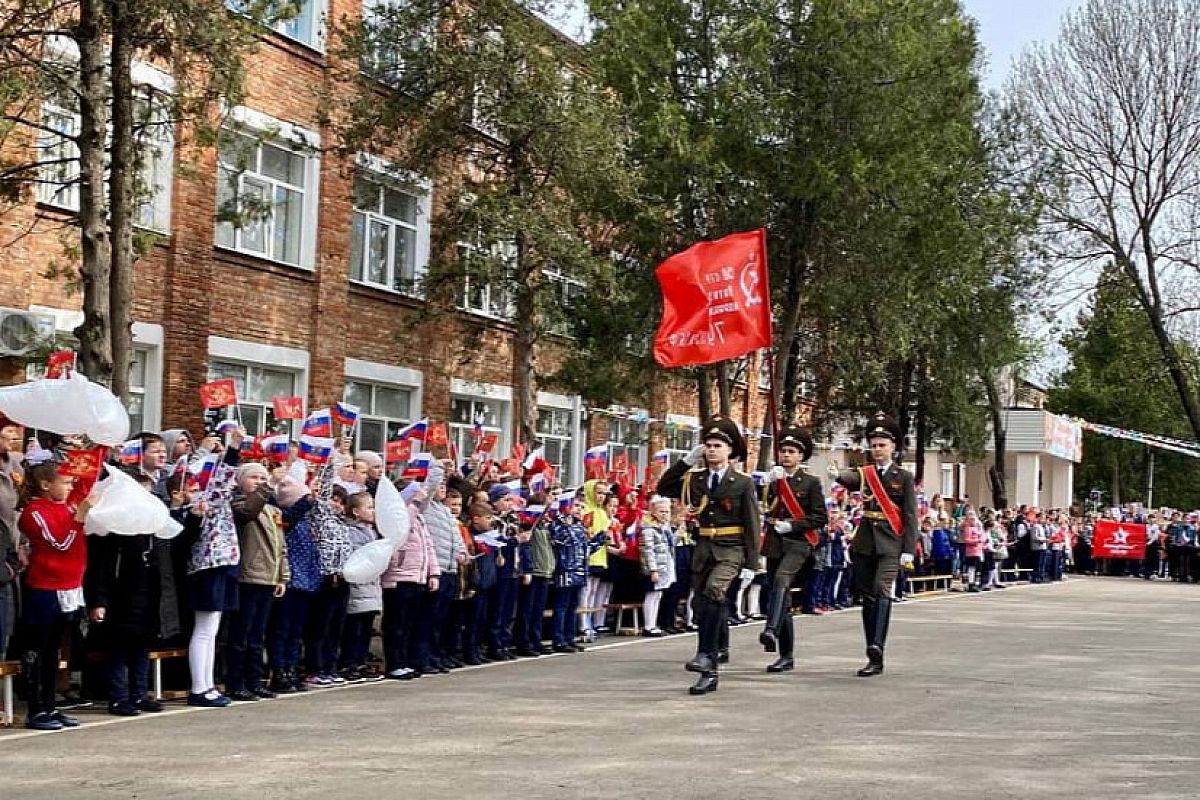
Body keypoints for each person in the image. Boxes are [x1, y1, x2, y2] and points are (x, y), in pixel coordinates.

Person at [657, 416, 760, 696]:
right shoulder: (695, 479)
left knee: (715, 590)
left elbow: (752, 524)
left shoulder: (742, 482)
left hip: (731, 548)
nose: (712, 450)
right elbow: (663, 487)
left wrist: (752, 563)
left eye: (717, 445)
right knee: (702, 606)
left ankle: (705, 653)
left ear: (730, 450)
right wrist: (686, 462)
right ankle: (710, 669)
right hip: (703, 549)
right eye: (708, 445)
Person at [829, 412, 918, 678]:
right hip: (865, 542)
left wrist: (908, 550)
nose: (877, 449)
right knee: (868, 596)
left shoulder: (902, 477)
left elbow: (911, 515)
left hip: (891, 543)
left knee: (881, 589)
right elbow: (850, 478)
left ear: (893, 447)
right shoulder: (865, 473)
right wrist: (837, 474)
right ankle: (872, 652)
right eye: (874, 444)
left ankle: (878, 645)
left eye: (882, 445)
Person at [17, 456, 94, 730]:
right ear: (45, 484)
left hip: (69, 587)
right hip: (45, 589)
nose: (70, 485)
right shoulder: (34, 513)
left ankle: (50, 706)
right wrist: (79, 520)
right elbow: (59, 543)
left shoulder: (66, 505)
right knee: (38, 650)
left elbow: (87, 481)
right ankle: (36, 709)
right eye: (64, 481)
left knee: (55, 652)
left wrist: (95, 448)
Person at [759, 425, 827, 674]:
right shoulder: (774, 479)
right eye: (783, 451)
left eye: (791, 451)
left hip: (799, 542)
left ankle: (771, 629)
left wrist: (792, 525)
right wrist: (765, 483)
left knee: (781, 579)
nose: (786, 455)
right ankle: (786, 655)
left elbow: (820, 517)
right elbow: (761, 505)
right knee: (781, 595)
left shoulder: (810, 482)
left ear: (801, 456)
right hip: (775, 543)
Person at [638, 495, 676, 637]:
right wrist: (653, 569)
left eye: (667, 512)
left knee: (658, 595)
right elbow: (648, 550)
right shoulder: (648, 529)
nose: (665, 515)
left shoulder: (664, 528)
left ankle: (653, 623)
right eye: (661, 511)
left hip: (665, 565)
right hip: (655, 568)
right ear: (653, 512)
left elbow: (669, 546)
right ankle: (649, 625)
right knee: (652, 594)